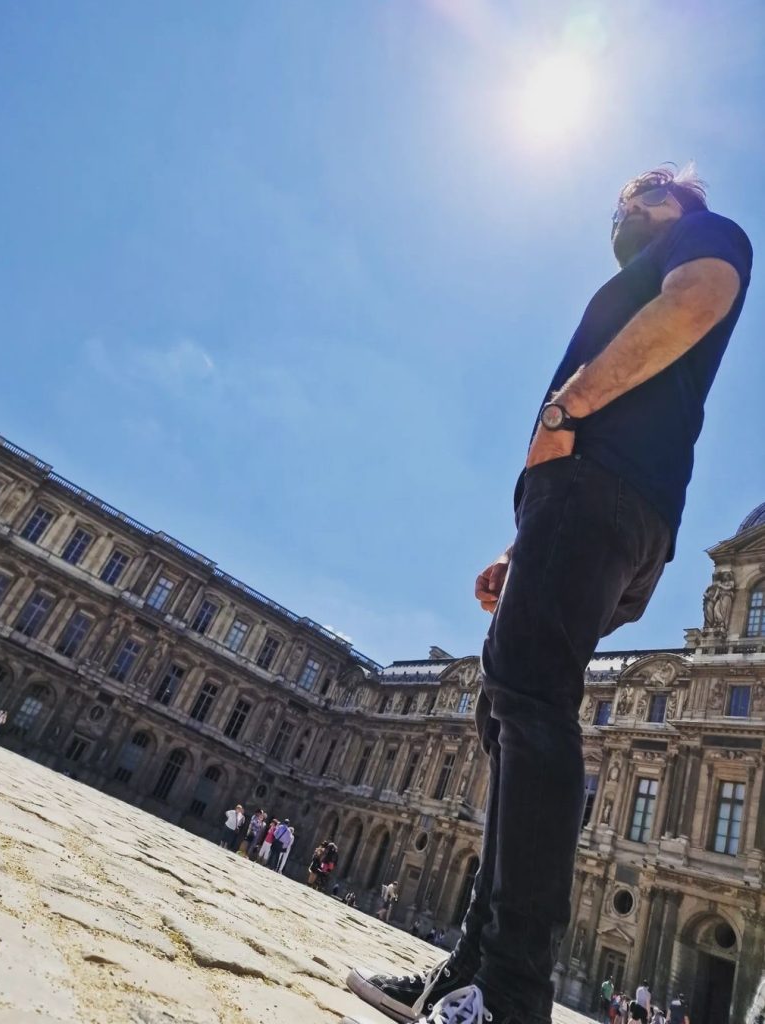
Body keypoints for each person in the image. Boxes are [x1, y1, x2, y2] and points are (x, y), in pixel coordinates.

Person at [342, 163, 753, 1024]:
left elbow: (700, 299)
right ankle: (470, 971)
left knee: (529, 706)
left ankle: (513, 992)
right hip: (587, 507)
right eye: (618, 200)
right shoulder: (637, 271)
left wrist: (564, 413)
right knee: (505, 711)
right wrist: (518, 540)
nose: (622, 207)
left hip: (599, 490)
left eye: (641, 190)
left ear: (680, 201)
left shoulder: (702, 239)